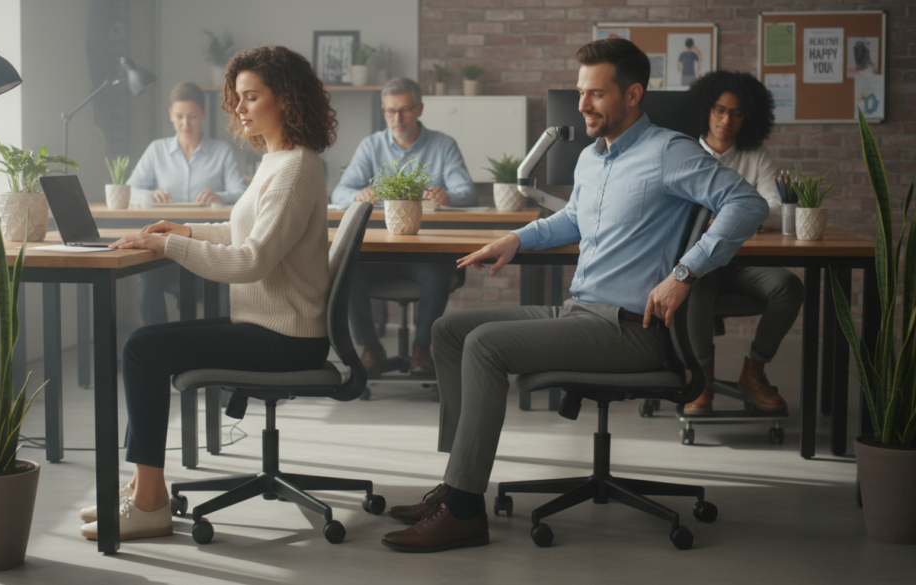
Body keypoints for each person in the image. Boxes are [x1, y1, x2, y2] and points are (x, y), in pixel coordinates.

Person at [379, 38, 768, 553]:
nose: (582, 104)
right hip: (581, 311)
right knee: (450, 331)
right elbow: (572, 219)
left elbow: (747, 203)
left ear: (632, 95)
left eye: (595, 94)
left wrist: (685, 271)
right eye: (580, 92)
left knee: (487, 346)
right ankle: (457, 482)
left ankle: (466, 512)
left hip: (631, 329)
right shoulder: (591, 158)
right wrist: (516, 238)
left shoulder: (670, 152)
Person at [78, 46, 336, 541]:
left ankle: (151, 502)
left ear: (285, 99)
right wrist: (189, 232)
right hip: (267, 324)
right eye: (237, 98)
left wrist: (168, 245)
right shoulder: (275, 160)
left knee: (141, 350)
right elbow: (242, 233)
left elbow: (252, 259)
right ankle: (140, 488)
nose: (238, 109)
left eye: (250, 97)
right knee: (144, 346)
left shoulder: (297, 167)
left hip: (286, 337)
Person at [331, 77, 476, 377]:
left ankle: (422, 349)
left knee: (438, 270)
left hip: (423, 254)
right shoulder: (371, 146)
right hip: (379, 255)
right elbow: (339, 193)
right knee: (346, 270)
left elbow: (468, 192)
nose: (397, 118)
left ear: (420, 108)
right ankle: (371, 347)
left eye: (405, 110)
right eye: (390, 111)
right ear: (383, 110)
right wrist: (358, 195)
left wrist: (447, 196)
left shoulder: (443, 144)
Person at [683, 70, 804, 415]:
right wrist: (748, 215)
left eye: (736, 113)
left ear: (748, 117)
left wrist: (730, 220)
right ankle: (701, 380)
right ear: (706, 109)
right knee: (695, 284)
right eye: (720, 109)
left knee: (789, 287)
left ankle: (754, 373)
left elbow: (779, 210)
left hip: (740, 263)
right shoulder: (683, 152)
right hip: (696, 262)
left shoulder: (756, 156)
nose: (726, 120)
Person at [127, 82, 249, 325]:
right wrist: (150, 195)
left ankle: (214, 343)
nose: (186, 124)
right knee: (147, 279)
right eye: (180, 117)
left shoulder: (221, 151)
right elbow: (129, 190)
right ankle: (158, 342)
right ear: (171, 114)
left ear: (203, 114)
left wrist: (220, 196)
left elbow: (242, 193)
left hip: (205, 244)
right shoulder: (157, 150)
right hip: (164, 246)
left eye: (192, 116)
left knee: (220, 284)